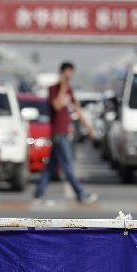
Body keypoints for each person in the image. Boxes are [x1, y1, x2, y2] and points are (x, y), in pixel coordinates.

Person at [32, 62, 98, 206]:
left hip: (65, 132)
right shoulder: (53, 89)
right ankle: (81, 194)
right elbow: (56, 105)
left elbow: (77, 108)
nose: (70, 75)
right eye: (68, 72)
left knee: (50, 167)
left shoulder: (69, 90)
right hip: (58, 133)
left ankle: (38, 193)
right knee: (67, 166)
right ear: (62, 72)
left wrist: (89, 127)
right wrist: (62, 88)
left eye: (71, 72)